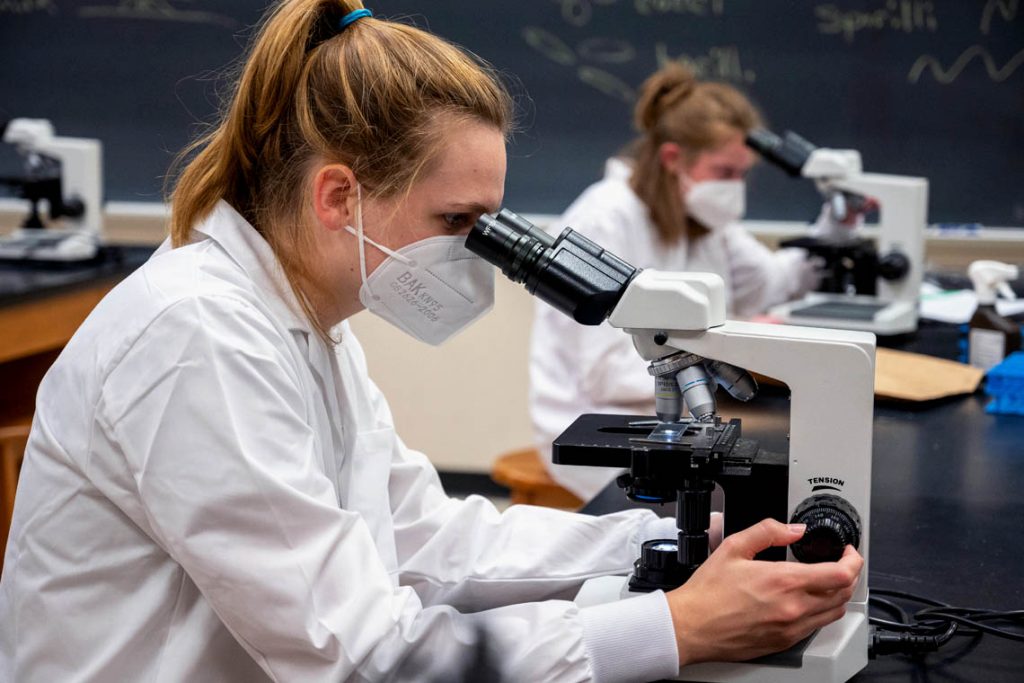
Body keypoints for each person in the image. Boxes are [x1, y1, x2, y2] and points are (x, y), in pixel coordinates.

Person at [0, 3, 862, 682]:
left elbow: (432, 540)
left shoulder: (306, 327)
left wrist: (672, 547)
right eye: (458, 222)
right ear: (341, 196)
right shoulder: (199, 335)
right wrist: (675, 627)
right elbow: (369, 659)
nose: (473, 251)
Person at [530, 62, 826, 501]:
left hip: (680, 412)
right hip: (596, 419)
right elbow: (605, 374)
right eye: (725, 173)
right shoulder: (604, 220)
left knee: (792, 468)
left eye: (743, 174)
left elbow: (771, 282)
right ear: (672, 159)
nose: (735, 188)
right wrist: (735, 347)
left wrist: (831, 233)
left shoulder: (702, 216)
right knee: (744, 499)